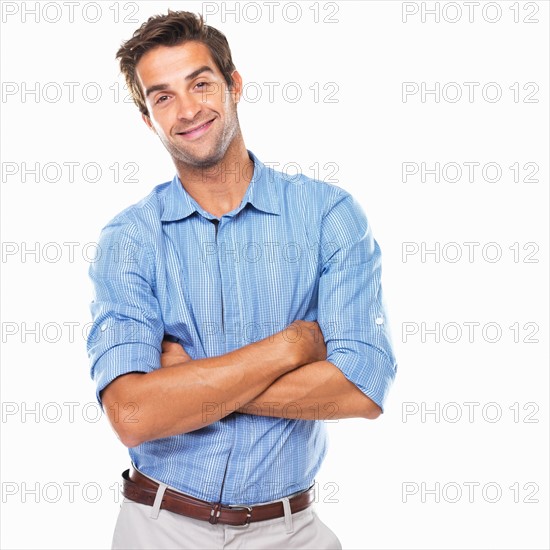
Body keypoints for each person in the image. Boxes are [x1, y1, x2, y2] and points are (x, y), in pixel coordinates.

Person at [87, 10, 397, 550]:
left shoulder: (329, 216)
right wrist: (293, 345)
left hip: (291, 532)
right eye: (162, 97)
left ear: (234, 84)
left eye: (200, 84)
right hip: (158, 528)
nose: (187, 110)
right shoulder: (129, 239)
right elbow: (134, 414)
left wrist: (189, 384)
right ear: (147, 119)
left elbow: (362, 387)